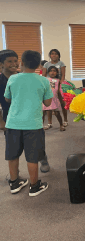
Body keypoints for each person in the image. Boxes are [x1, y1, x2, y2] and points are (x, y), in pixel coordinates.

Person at [4, 50, 53, 196]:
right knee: (32, 157)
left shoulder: (13, 79)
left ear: (22, 63)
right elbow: (48, 102)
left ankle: (14, 183)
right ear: (39, 65)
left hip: (13, 124)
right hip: (33, 125)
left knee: (12, 155)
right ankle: (34, 186)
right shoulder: (44, 80)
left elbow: (7, 98)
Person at [42, 49, 68, 127]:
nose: (54, 55)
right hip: (49, 85)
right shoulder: (46, 64)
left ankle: (65, 120)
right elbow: (43, 75)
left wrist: (61, 82)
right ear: (50, 55)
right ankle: (50, 123)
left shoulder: (61, 63)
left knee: (62, 103)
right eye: (52, 54)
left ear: (58, 55)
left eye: (56, 54)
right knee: (49, 104)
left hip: (58, 84)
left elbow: (63, 75)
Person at [43, 66, 66, 131]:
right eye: (51, 71)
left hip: (54, 99)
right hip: (46, 99)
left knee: (57, 113)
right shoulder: (45, 79)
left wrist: (62, 100)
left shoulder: (58, 81)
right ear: (48, 72)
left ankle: (61, 125)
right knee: (43, 113)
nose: (52, 72)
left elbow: (58, 91)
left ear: (57, 72)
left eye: (54, 71)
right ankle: (40, 127)